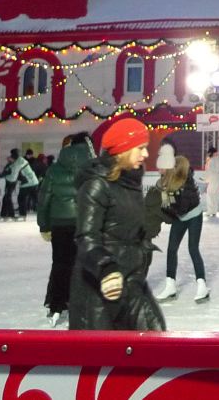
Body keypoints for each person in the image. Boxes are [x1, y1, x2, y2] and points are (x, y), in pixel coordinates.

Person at [69, 117, 165, 331]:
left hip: (132, 282)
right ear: (123, 149)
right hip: (101, 288)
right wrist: (106, 269)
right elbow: (86, 237)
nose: (146, 154)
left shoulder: (130, 181)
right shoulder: (96, 185)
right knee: (105, 350)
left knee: (155, 339)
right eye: (140, 148)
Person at [37, 131, 94, 327]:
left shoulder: (54, 169)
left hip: (60, 224)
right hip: (84, 224)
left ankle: (56, 305)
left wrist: (44, 225)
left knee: (60, 264)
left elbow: (44, 199)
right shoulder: (92, 168)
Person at [155, 153, 209, 304]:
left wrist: (167, 207)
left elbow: (181, 209)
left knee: (193, 248)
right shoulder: (165, 181)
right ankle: (170, 285)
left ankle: (202, 286)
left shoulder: (186, 184)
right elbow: (168, 204)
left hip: (193, 216)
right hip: (179, 216)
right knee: (172, 249)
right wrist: (165, 203)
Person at [203, 146, 219, 218]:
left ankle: (210, 211)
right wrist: (218, 156)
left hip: (213, 179)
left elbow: (208, 171)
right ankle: (214, 211)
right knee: (215, 195)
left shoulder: (210, 160)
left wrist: (205, 179)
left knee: (210, 195)